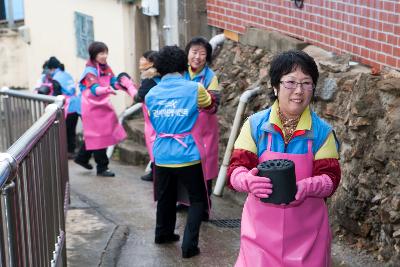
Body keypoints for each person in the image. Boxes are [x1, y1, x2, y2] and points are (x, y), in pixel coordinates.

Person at [227, 50, 341, 266]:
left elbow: (331, 179)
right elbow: (235, 169)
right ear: (275, 87)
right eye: (290, 83)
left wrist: (308, 186)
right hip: (259, 234)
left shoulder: (322, 132)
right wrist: (248, 181)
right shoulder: (255, 125)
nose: (298, 91)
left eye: (306, 83)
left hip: (308, 235)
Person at [145, 45, 216, 258]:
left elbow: (153, 119)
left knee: (165, 197)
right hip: (188, 153)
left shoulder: (151, 94)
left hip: (162, 154)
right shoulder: (194, 89)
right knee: (197, 200)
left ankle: (163, 233)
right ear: (183, 65)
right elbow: (210, 106)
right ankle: (189, 246)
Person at [74, 41, 136, 177]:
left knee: (98, 134)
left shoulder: (105, 67)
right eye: (101, 53)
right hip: (91, 106)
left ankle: (82, 157)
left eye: (106, 53)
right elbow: (95, 89)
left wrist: (123, 85)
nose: (105, 56)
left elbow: (113, 81)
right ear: (94, 55)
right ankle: (102, 168)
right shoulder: (90, 71)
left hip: (101, 105)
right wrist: (106, 89)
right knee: (99, 136)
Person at [181, 36, 220, 220]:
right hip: (184, 128)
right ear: (187, 53)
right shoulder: (180, 72)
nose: (198, 57)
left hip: (205, 130)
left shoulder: (211, 77)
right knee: (183, 166)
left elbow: (213, 104)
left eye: (202, 53)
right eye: (194, 52)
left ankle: (204, 208)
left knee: (205, 169)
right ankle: (183, 201)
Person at [36, 56, 81, 159]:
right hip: (75, 106)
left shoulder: (56, 79)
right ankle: (71, 151)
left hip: (66, 107)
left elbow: (56, 95)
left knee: (63, 131)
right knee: (71, 131)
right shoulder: (67, 74)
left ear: (52, 68)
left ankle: (63, 153)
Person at [134, 50, 160, 182]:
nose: (140, 61)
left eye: (143, 58)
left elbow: (139, 97)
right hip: (156, 116)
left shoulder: (149, 78)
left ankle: (156, 172)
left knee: (154, 143)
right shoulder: (157, 76)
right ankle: (154, 170)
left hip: (153, 118)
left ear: (151, 62)